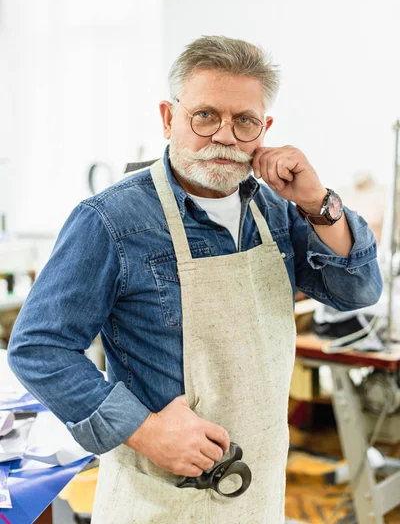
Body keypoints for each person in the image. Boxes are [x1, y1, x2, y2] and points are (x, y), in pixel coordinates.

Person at [8, 36, 383, 523]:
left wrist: (317, 203)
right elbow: (38, 347)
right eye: (205, 115)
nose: (225, 136)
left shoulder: (274, 209)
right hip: (161, 499)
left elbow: (358, 291)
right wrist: (144, 430)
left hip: (258, 490)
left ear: (264, 129)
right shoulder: (112, 220)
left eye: (244, 121)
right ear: (169, 118)